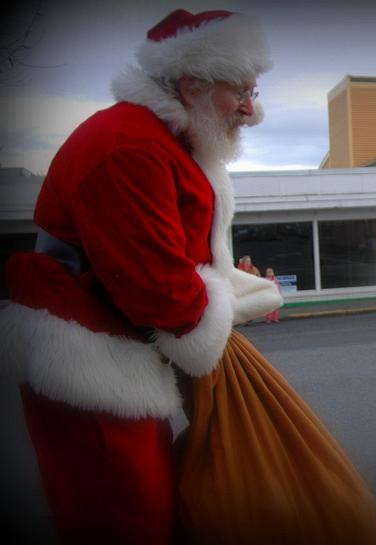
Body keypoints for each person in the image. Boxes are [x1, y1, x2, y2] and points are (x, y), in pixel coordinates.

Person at [0, 9, 282, 544]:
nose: (253, 110)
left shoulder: (164, 141)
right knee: (131, 521)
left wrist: (227, 283)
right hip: (89, 372)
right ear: (191, 82)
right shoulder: (130, 147)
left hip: (118, 361)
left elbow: (171, 262)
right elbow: (164, 295)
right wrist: (233, 299)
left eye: (255, 90)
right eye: (239, 92)